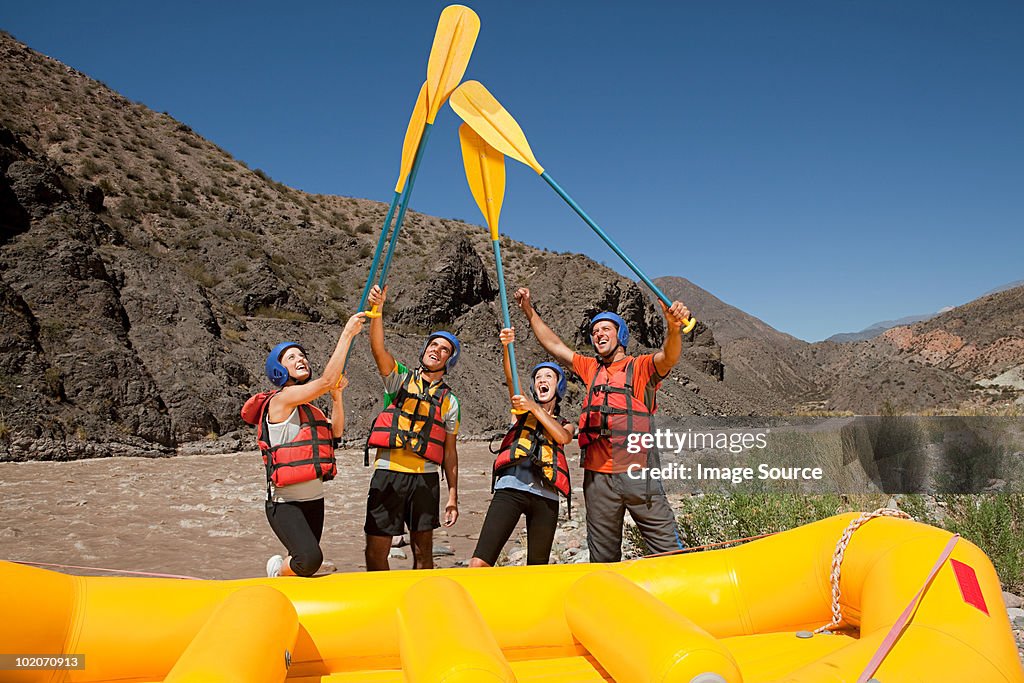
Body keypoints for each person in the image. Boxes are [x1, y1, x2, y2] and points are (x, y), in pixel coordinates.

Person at [514, 287, 692, 563]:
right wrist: (528, 311)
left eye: (606, 329)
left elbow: (668, 356)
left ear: (620, 335)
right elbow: (555, 346)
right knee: (603, 557)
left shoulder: (640, 367)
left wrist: (673, 328)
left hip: (637, 473)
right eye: (595, 331)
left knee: (668, 552)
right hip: (597, 480)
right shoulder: (590, 368)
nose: (598, 334)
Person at [241, 312, 365, 577]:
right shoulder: (280, 402)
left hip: (314, 499)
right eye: (292, 357)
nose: (301, 359)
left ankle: (289, 576)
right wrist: (347, 333)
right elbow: (327, 380)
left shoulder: (310, 409)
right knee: (309, 559)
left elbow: (337, 431)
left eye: (302, 355)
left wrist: (337, 398)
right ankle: (276, 570)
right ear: (279, 369)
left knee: (305, 563)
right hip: (285, 503)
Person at [362, 284, 460, 571]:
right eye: (433, 345)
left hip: (425, 480)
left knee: (424, 554)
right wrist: (377, 310)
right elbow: (378, 348)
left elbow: (450, 453)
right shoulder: (400, 379)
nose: (436, 351)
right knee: (375, 552)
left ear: (448, 360)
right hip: (389, 474)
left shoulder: (450, 401)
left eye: (444, 350)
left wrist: (453, 496)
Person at [470, 327, 573, 567]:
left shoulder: (568, 424)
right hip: (511, 490)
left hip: (546, 497)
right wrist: (507, 347)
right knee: (479, 564)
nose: (542, 381)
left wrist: (536, 409)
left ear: (558, 387)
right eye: (538, 378)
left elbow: (562, 438)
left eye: (548, 377)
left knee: (537, 569)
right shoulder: (520, 412)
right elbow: (510, 378)